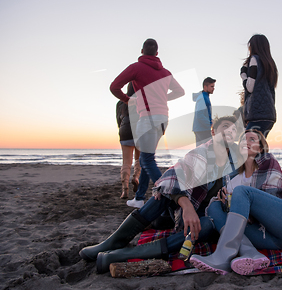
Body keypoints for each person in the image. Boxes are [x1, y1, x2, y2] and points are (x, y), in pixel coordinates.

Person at [79, 116, 240, 273]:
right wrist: (186, 205)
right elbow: (175, 175)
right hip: (184, 208)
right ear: (213, 131)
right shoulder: (201, 152)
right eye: (224, 127)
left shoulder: (237, 160)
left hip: (207, 213)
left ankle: (123, 254)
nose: (229, 131)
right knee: (163, 194)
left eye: (233, 129)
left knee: (207, 225)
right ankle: (112, 243)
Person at [190, 129, 282, 275]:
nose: (245, 142)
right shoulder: (232, 177)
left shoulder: (268, 162)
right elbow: (232, 214)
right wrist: (223, 201)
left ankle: (222, 255)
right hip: (265, 238)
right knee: (214, 206)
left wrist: (241, 202)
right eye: (242, 140)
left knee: (242, 192)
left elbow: (277, 198)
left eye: (252, 139)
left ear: (260, 148)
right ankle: (251, 253)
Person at [110, 38, 185, 209]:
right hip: (163, 119)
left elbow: (114, 87)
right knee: (146, 157)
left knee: (146, 159)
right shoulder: (166, 72)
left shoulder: (136, 68)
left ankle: (171, 196)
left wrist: (128, 100)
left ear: (142, 51)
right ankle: (139, 197)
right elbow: (180, 91)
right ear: (157, 53)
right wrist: (163, 97)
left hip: (148, 118)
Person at [240, 34, 278, 138]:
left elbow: (250, 87)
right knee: (258, 148)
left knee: (246, 147)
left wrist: (243, 75)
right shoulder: (270, 64)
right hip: (269, 114)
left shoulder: (254, 59)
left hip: (257, 114)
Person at [116, 83, 141, 199]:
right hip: (139, 132)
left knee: (126, 162)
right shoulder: (141, 100)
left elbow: (118, 120)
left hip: (125, 131)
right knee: (138, 159)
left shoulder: (120, 103)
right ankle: (136, 177)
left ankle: (124, 191)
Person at [192, 77, 216, 146]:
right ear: (205, 87)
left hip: (200, 128)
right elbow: (199, 115)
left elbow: (204, 114)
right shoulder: (203, 97)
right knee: (209, 150)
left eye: (213, 86)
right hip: (202, 129)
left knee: (201, 151)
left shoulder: (204, 96)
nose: (213, 88)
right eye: (211, 86)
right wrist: (210, 124)